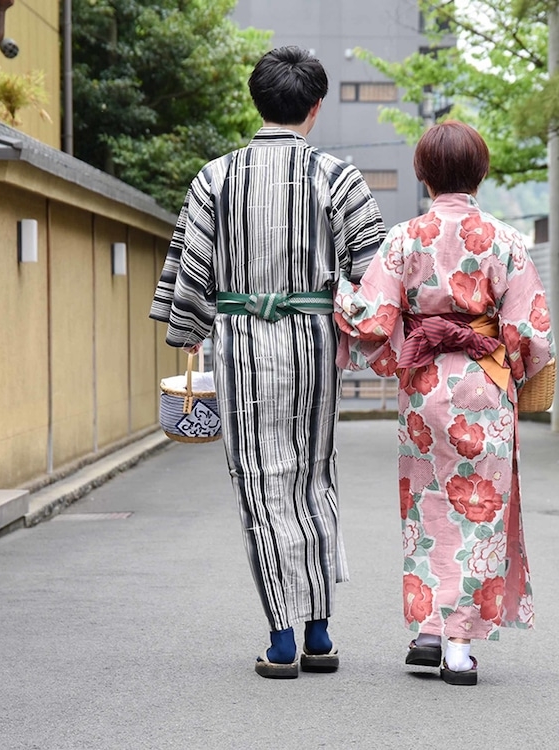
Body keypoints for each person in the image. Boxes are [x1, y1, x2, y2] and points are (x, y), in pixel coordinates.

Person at [149, 46, 384, 679]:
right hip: (311, 341)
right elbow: (373, 276)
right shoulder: (339, 178)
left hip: (242, 345)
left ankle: (280, 636)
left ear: (259, 102)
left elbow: (190, 274)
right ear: (315, 108)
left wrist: (188, 331)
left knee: (260, 483)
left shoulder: (215, 178)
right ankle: (319, 633)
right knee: (314, 478)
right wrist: (370, 343)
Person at [334, 121, 555, 686]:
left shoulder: (404, 238)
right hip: (484, 381)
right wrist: (512, 364)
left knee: (428, 506)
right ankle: (459, 647)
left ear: (423, 173)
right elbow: (531, 333)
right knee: (480, 508)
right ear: (480, 173)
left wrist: (336, 290)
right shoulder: (505, 240)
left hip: (423, 388)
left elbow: (373, 318)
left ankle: (428, 633)